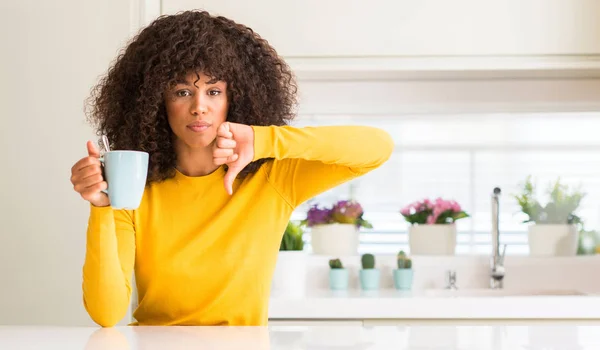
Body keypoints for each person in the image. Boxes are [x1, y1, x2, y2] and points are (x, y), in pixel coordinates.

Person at [70, 10, 393, 327]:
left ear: (234, 98)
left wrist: (262, 139)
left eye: (213, 91)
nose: (199, 107)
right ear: (155, 102)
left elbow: (377, 148)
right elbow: (107, 312)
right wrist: (102, 207)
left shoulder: (272, 179)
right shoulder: (133, 188)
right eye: (182, 92)